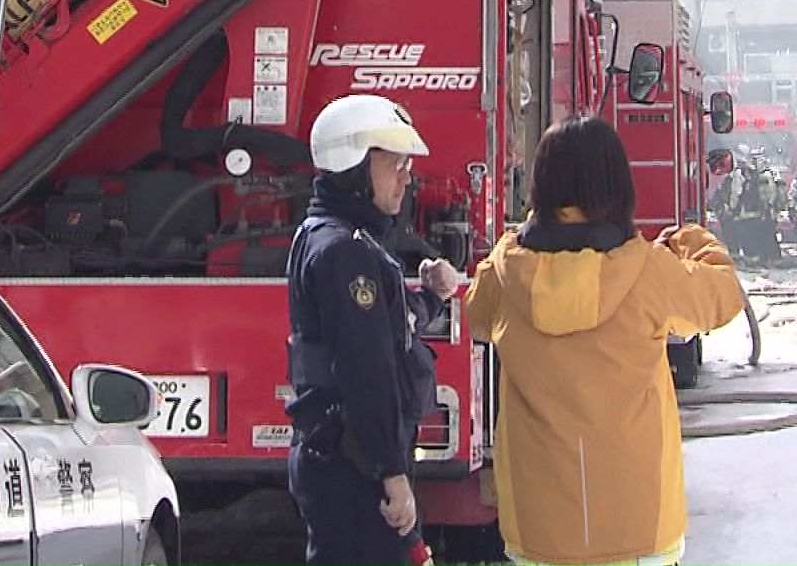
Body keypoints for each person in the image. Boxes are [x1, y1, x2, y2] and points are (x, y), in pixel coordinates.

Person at [465, 116, 745, 566]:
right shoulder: (649, 272)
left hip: (538, 528)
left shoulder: (505, 272)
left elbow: (476, 319)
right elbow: (724, 296)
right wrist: (689, 238)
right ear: (617, 183)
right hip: (640, 525)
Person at [286, 94, 461, 566]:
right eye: (395, 163)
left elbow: (382, 328)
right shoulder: (345, 253)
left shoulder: (334, 239)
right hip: (353, 466)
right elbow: (366, 368)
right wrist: (391, 473)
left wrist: (428, 299)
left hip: (344, 458)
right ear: (354, 167)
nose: (408, 176)